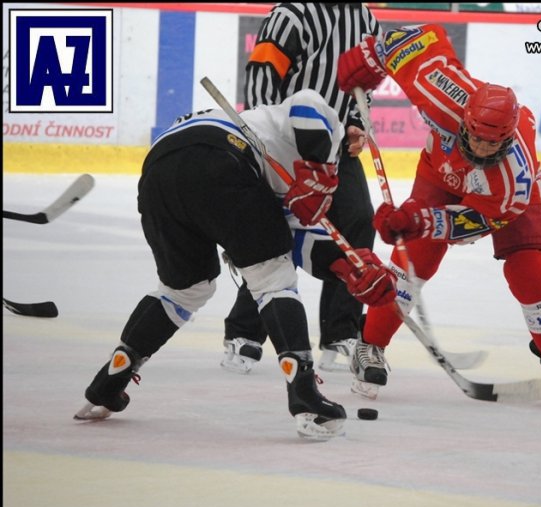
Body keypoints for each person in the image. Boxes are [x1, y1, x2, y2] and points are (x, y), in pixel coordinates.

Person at [72, 89, 397, 439]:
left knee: (184, 290)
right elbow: (307, 106)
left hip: (160, 171)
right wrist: (317, 168)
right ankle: (305, 394)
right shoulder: (327, 130)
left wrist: (346, 269)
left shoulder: (288, 176)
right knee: (274, 281)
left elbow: (297, 239)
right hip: (223, 157)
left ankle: (111, 379)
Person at [336, 23, 541, 401]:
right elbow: (420, 37)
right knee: (417, 254)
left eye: (491, 142)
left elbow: (471, 224)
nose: (480, 148)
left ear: (506, 138)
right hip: (441, 169)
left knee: (529, 267)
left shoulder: (514, 181)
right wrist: (372, 55)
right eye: (475, 136)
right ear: (466, 121)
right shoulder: (440, 92)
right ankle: (370, 344)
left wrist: (420, 220)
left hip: (498, 198)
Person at [222, 2, 383, 374]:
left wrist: (357, 123)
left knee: (359, 220)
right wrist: (264, 138)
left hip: (336, 145)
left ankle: (340, 332)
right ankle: (245, 331)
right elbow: (262, 74)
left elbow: (363, 86)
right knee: (282, 231)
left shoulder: (366, 19)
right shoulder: (291, 15)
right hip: (286, 143)